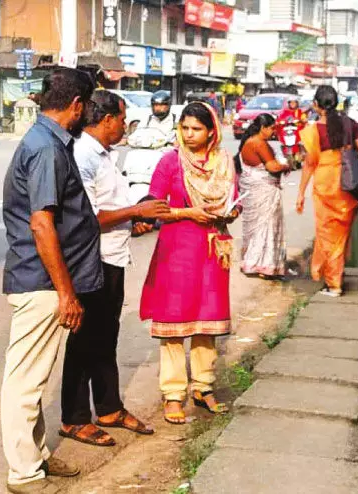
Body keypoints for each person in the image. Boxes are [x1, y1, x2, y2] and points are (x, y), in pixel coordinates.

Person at [0, 68, 98, 494]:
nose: (87, 113)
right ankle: (24, 473)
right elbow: (42, 224)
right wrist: (65, 293)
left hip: (42, 279)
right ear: (76, 105)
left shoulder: (49, 141)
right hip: (41, 282)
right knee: (25, 382)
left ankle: (36, 454)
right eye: (87, 106)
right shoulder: (46, 148)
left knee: (34, 378)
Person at [60, 90, 169, 447]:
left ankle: (108, 407)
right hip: (92, 259)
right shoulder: (82, 155)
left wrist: (132, 218)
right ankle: (74, 417)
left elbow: (111, 206)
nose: (125, 126)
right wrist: (136, 212)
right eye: (123, 120)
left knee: (106, 336)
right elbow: (87, 217)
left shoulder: (104, 154)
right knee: (84, 339)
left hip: (114, 257)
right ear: (107, 120)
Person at [140, 102, 240, 425]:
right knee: (174, 323)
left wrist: (231, 212)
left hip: (213, 250)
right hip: (177, 250)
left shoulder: (224, 163)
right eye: (184, 128)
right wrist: (188, 213)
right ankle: (173, 394)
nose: (189, 134)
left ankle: (203, 386)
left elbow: (234, 201)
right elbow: (154, 207)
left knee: (206, 321)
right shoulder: (171, 162)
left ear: (211, 131)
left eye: (196, 129)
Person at [296, 86, 358, 297]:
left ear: (315, 105)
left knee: (327, 235)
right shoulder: (348, 124)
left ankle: (334, 284)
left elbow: (309, 164)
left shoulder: (313, 131)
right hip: (346, 183)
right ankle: (336, 275)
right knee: (341, 234)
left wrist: (300, 192)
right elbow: (356, 152)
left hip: (325, 183)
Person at [236, 113, 290, 278]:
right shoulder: (259, 143)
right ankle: (264, 265)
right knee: (266, 225)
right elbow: (272, 167)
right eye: (272, 128)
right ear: (262, 128)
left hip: (254, 190)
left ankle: (252, 262)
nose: (274, 131)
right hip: (263, 190)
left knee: (257, 227)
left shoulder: (249, 141)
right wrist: (286, 165)